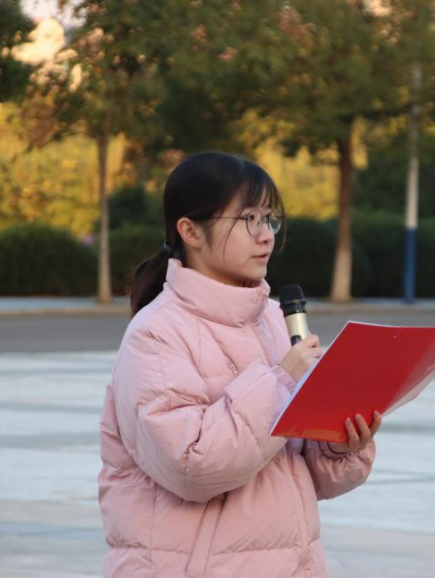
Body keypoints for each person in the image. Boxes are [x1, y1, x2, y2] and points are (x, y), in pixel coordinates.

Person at [98, 152, 381, 577]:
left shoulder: (274, 319)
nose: (265, 235)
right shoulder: (156, 333)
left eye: (269, 219)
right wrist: (282, 381)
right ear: (190, 231)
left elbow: (299, 471)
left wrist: (338, 445)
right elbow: (192, 465)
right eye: (249, 219)